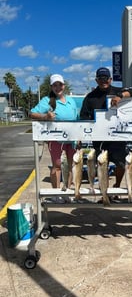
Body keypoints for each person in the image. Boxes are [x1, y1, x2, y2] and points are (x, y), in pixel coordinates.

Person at [80, 67, 132, 190]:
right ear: (96, 80)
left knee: (122, 164)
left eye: (106, 78)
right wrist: (81, 136)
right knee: (102, 166)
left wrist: (120, 95)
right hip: (99, 139)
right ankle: (104, 190)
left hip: (118, 138)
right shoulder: (90, 97)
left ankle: (117, 186)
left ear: (110, 79)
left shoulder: (119, 90)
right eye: (101, 79)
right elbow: (83, 118)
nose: (103, 81)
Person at [30, 74, 78, 203]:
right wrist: (45, 116)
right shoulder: (47, 100)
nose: (58, 87)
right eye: (55, 85)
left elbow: (77, 119)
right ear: (51, 87)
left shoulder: (71, 100)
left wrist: (79, 137)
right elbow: (32, 113)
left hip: (71, 140)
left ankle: (66, 191)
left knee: (70, 165)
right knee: (57, 166)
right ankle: (56, 193)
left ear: (64, 85)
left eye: (60, 85)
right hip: (56, 139)